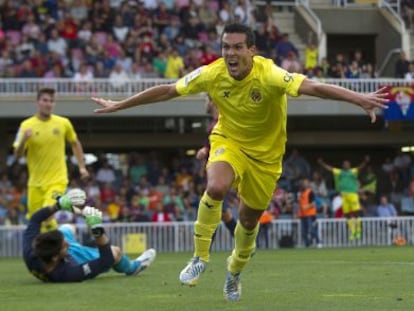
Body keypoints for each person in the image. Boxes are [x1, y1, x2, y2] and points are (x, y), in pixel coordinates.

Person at [91, 23, 388, 302]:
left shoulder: (270, 74)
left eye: (237, 47)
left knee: (248, 221)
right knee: (217, 187)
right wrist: (120, 104)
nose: (230, 53)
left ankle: (234, 271)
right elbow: (169, 90)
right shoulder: (211, 73)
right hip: (228, 142)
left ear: (252, 51)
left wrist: (358, 99)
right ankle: (199, 257)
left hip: (266, 159)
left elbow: (313, 87)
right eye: (225, 47)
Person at [23, 188, 156, 282]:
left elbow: (35, 219)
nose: (67, 244)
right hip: (75, 259)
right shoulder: (69, 273)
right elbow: (106, 262)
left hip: (59, 255)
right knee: (114, 252)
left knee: (67, 227)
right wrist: (97, 230)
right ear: (54, 258)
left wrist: (58, 205)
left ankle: (76, 240)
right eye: (65, 246)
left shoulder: (32, 250)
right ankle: (133, 268)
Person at [13, 87, 90, 232]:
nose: (49, 104)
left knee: (48, 214)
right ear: (38, 102)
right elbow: (17, 156)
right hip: (35, 184)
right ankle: (52, 246)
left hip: (57, 180)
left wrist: (82, 167)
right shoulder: (26, 126)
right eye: (45, 100)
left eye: (52, 101)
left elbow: (75, 143)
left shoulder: (63, 123)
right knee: (36, 220)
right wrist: (24, 140)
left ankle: (61, 244)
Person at [196, 94, 237, 242]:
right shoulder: (214, 123)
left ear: (213, 101)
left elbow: (224, 147)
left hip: (219, 176)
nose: (205, 103)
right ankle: (243, 242)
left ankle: (203, 252)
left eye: (207, 100)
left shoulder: (221, 123)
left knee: (213, 211)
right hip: (214, 176)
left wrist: (206, 151)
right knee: (222, 213)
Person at [318, 156, 370, 241]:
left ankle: (358, 230)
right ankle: (352, 231)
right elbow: (330, 169)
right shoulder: (340, 172)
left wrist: (365, 161)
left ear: (349, 166)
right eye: (344, 164)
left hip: (352, 194)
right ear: (343, 166)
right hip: (344, 195)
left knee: (356, 212)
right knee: (347, 214)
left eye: (347, 164)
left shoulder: (352, 171)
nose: (346, 165)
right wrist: (322, 163)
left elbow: (360, 167)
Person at [297, 177, 322, 248]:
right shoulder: (300, 193)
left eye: (305, 183)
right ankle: (307, 244)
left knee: (311, 229)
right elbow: (300, 204)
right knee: (303, 231)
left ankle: (318, 242)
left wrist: (306, 207)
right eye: (303, 183)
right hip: (302, 215)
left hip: (310, 214)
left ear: (308, 184)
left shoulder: (310, 192)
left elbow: (313, 203)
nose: (303, 185)